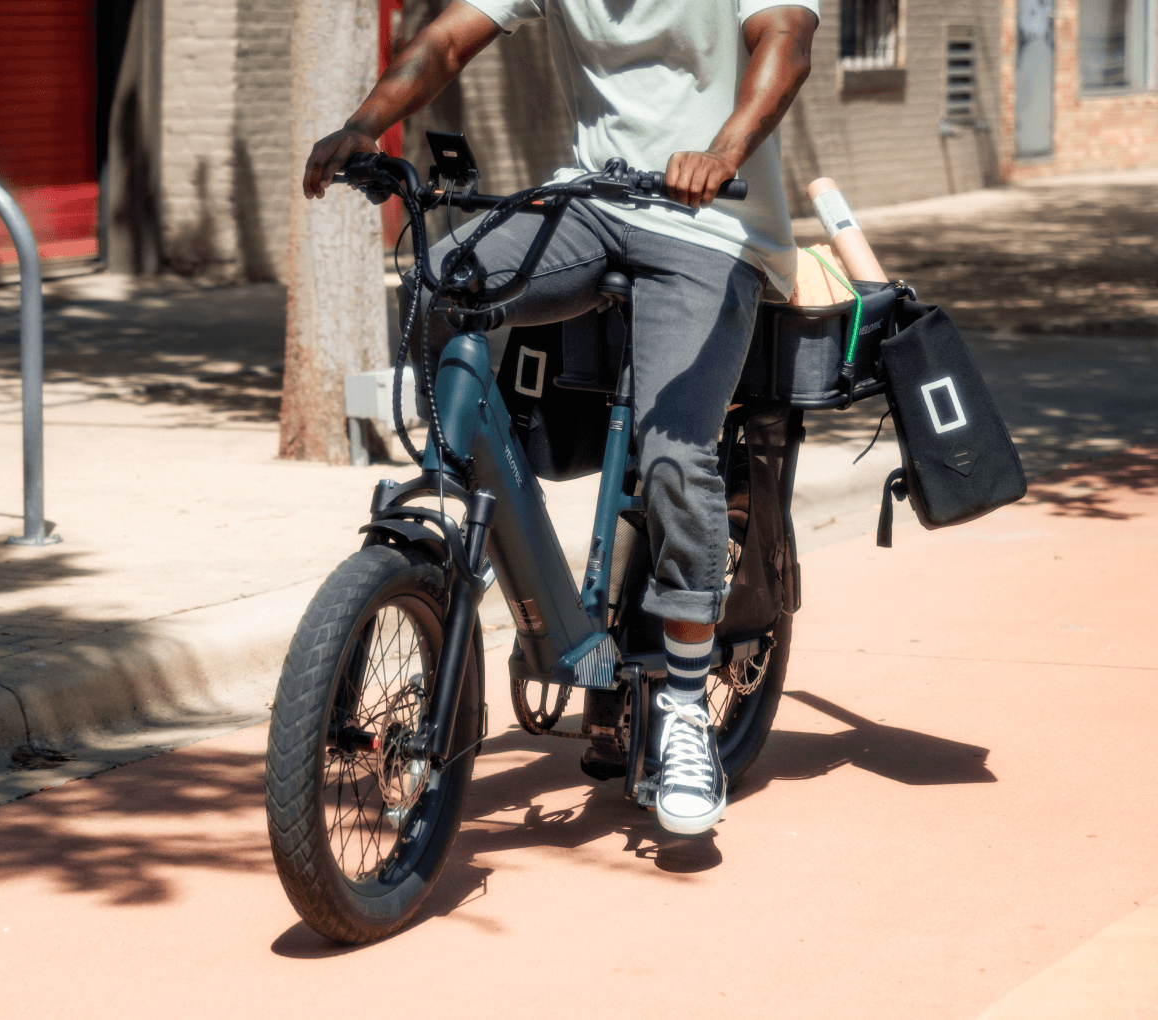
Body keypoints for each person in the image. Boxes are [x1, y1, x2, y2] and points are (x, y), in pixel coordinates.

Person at [301, 0, 818, 836]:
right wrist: (366, 126)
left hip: (712, 224)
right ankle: (479, 520)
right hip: (590, 203)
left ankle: (684, 708)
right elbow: (445, 39)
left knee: (673, 451)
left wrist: (723, 152)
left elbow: (785, 43)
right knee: (444, 281)